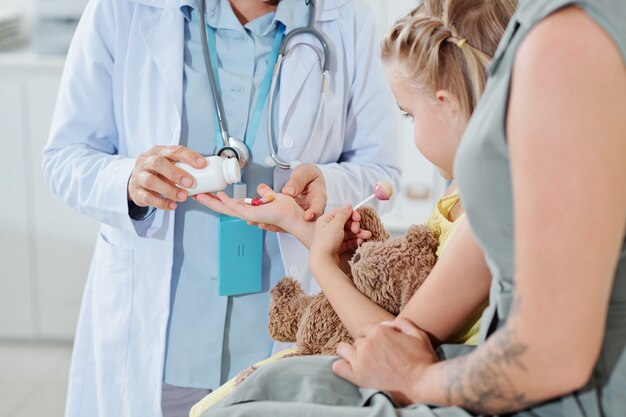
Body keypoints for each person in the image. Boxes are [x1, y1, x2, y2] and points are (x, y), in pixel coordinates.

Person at [196, 0, 626, 416]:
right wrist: (298, 224)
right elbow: (400, 298)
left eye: (407, 115)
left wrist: (322, 262)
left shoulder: (488, 200)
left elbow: (390, 337)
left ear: (445, 103)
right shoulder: (469, 188)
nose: (412, 131)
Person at [41, 0, 400, 416]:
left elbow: (381, 170)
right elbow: (66, 156)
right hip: (166, 339)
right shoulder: (124, 9)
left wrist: (328, 185)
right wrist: (128, 181)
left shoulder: (346, 16)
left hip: (283, 340)